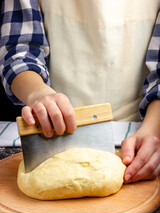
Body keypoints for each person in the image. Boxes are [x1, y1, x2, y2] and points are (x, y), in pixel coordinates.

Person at [0, 0, 160, 184]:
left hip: (138, 131)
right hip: (51, 129)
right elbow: (20, 50)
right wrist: (38, 94)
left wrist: (154, 130)